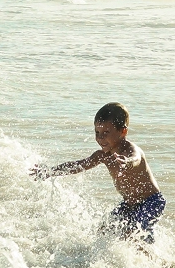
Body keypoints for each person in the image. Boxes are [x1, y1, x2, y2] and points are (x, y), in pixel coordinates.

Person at [32, 103, 166, 244]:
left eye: (106, 133)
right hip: (129, 204)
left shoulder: (130, 150)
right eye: (97, 133)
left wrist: (126, 161)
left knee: (134, 235)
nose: (100, 138)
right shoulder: (103, 156)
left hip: (151, 202)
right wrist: (51, 171)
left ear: (123, 132)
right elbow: (79, 165)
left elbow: (136, 159)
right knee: (104, 229)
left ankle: (152, 262)